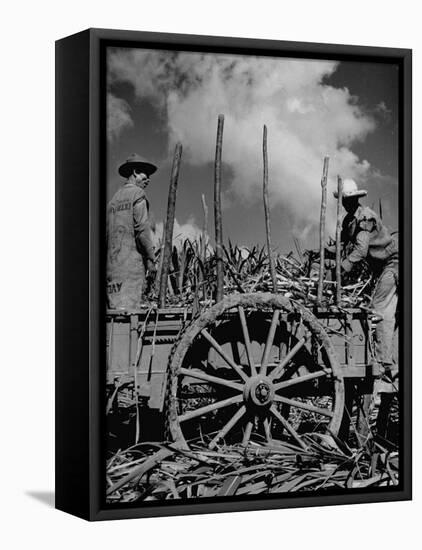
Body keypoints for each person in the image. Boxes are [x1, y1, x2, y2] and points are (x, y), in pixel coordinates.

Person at [333, 179, 399, 437]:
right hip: (382, 268)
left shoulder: (366, 217)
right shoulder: (348, 221)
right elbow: (341, 244)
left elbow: (359, 250)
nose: (347, 202)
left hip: (394, 264)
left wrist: (344, 266)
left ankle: (383, 361)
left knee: (380, 310)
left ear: (356, 199)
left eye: (350, 198)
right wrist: (328, 255)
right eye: (344, 199)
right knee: (381, 308)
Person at [107, 154, 158, 310]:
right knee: (128, 318)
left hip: (112, 270)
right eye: (145, 175)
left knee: (115, 315)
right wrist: (150, 259)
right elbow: (142, 229)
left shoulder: (113, 201)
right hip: (130, 270)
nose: (148, 179)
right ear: (135, 172)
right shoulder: (138, 194)